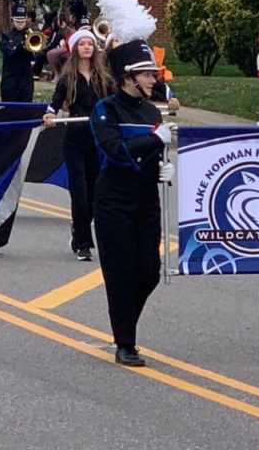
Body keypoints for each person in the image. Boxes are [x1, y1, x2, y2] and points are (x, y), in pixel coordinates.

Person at [90, 33, 169, 368]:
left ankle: (124, 324)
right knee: (121, 272)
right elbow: (116, 152)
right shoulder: (105, 109)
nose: (154, 79)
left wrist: (165, 167)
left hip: (147, 197)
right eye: (148, 74)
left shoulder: (152, 111)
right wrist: (153, 142)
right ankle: (126, 342)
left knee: (150, 271)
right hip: (113, 198)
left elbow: (155, 151)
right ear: (128, 77)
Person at [43, 26, 110, 261]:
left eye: (90, 44)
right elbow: (54, 104)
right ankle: (83, 243)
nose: (86, 47)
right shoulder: (68, 78)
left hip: (97, 142)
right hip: (74, 141)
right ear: (75, 49)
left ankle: (78, 228)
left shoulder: (104, 78)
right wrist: (50, 116)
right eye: (82, 44)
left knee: (93, 195)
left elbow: (115, 102)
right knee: (79, 195)